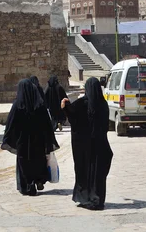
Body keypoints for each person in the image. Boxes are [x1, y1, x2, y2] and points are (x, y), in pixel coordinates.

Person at [62, 77, 113, 210]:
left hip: (85, 148)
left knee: (84, 171)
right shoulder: (103, 104)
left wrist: (65, 105)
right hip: (100, 146)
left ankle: (85, 197)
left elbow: (73, 116)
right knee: (98, 174)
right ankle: (98, 199)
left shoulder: (81, 103)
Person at [3, 79, 59, 196]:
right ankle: (38, 180)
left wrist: (9, 139)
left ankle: (28, 186)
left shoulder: (17, 106)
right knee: (38, 162)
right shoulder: (40, 106)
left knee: (24, 164)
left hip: (23, 143)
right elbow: (48, 126)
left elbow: (10, 125)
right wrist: (48, 141)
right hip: (38, 142)